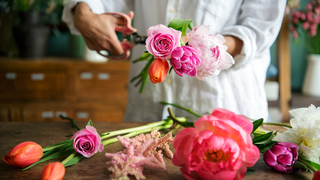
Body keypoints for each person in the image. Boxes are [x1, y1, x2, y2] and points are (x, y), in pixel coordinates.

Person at [62, 0, 287, 122]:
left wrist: (203, 47)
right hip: (146, 112)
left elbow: (258, 30)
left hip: (226, 113)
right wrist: (83, 11)